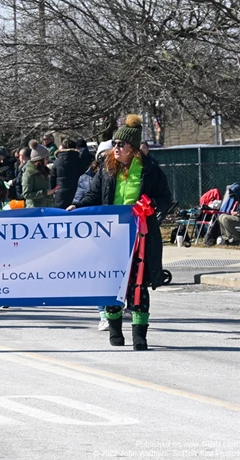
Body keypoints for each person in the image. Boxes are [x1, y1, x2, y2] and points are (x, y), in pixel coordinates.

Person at [68, 114, 172, 350]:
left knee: (139, 284)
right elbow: (94, 195)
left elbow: (165, 198)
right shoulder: (107, 169)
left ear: (133, 149)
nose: (115, 148)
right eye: (114, 144)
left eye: (120, 144)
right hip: (112, 236)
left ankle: (139, 335)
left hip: (141, 235)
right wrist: (78, 205)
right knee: (113, 283)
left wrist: (151, 205)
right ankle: (115, 331)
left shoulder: (150, 169)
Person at [50, 138, 83, 209]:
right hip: (77, 194)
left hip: (60, 195)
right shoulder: (81, 161)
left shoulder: (57, 162)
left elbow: (52, 180)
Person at [22, 140, 55, 208]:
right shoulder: (29, 173)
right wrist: (44, 193)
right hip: (35, 209)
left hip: (48, 207)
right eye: (46, 158)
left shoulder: (45, 170)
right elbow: (26, 194)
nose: (48, 160)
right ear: (39, 160)